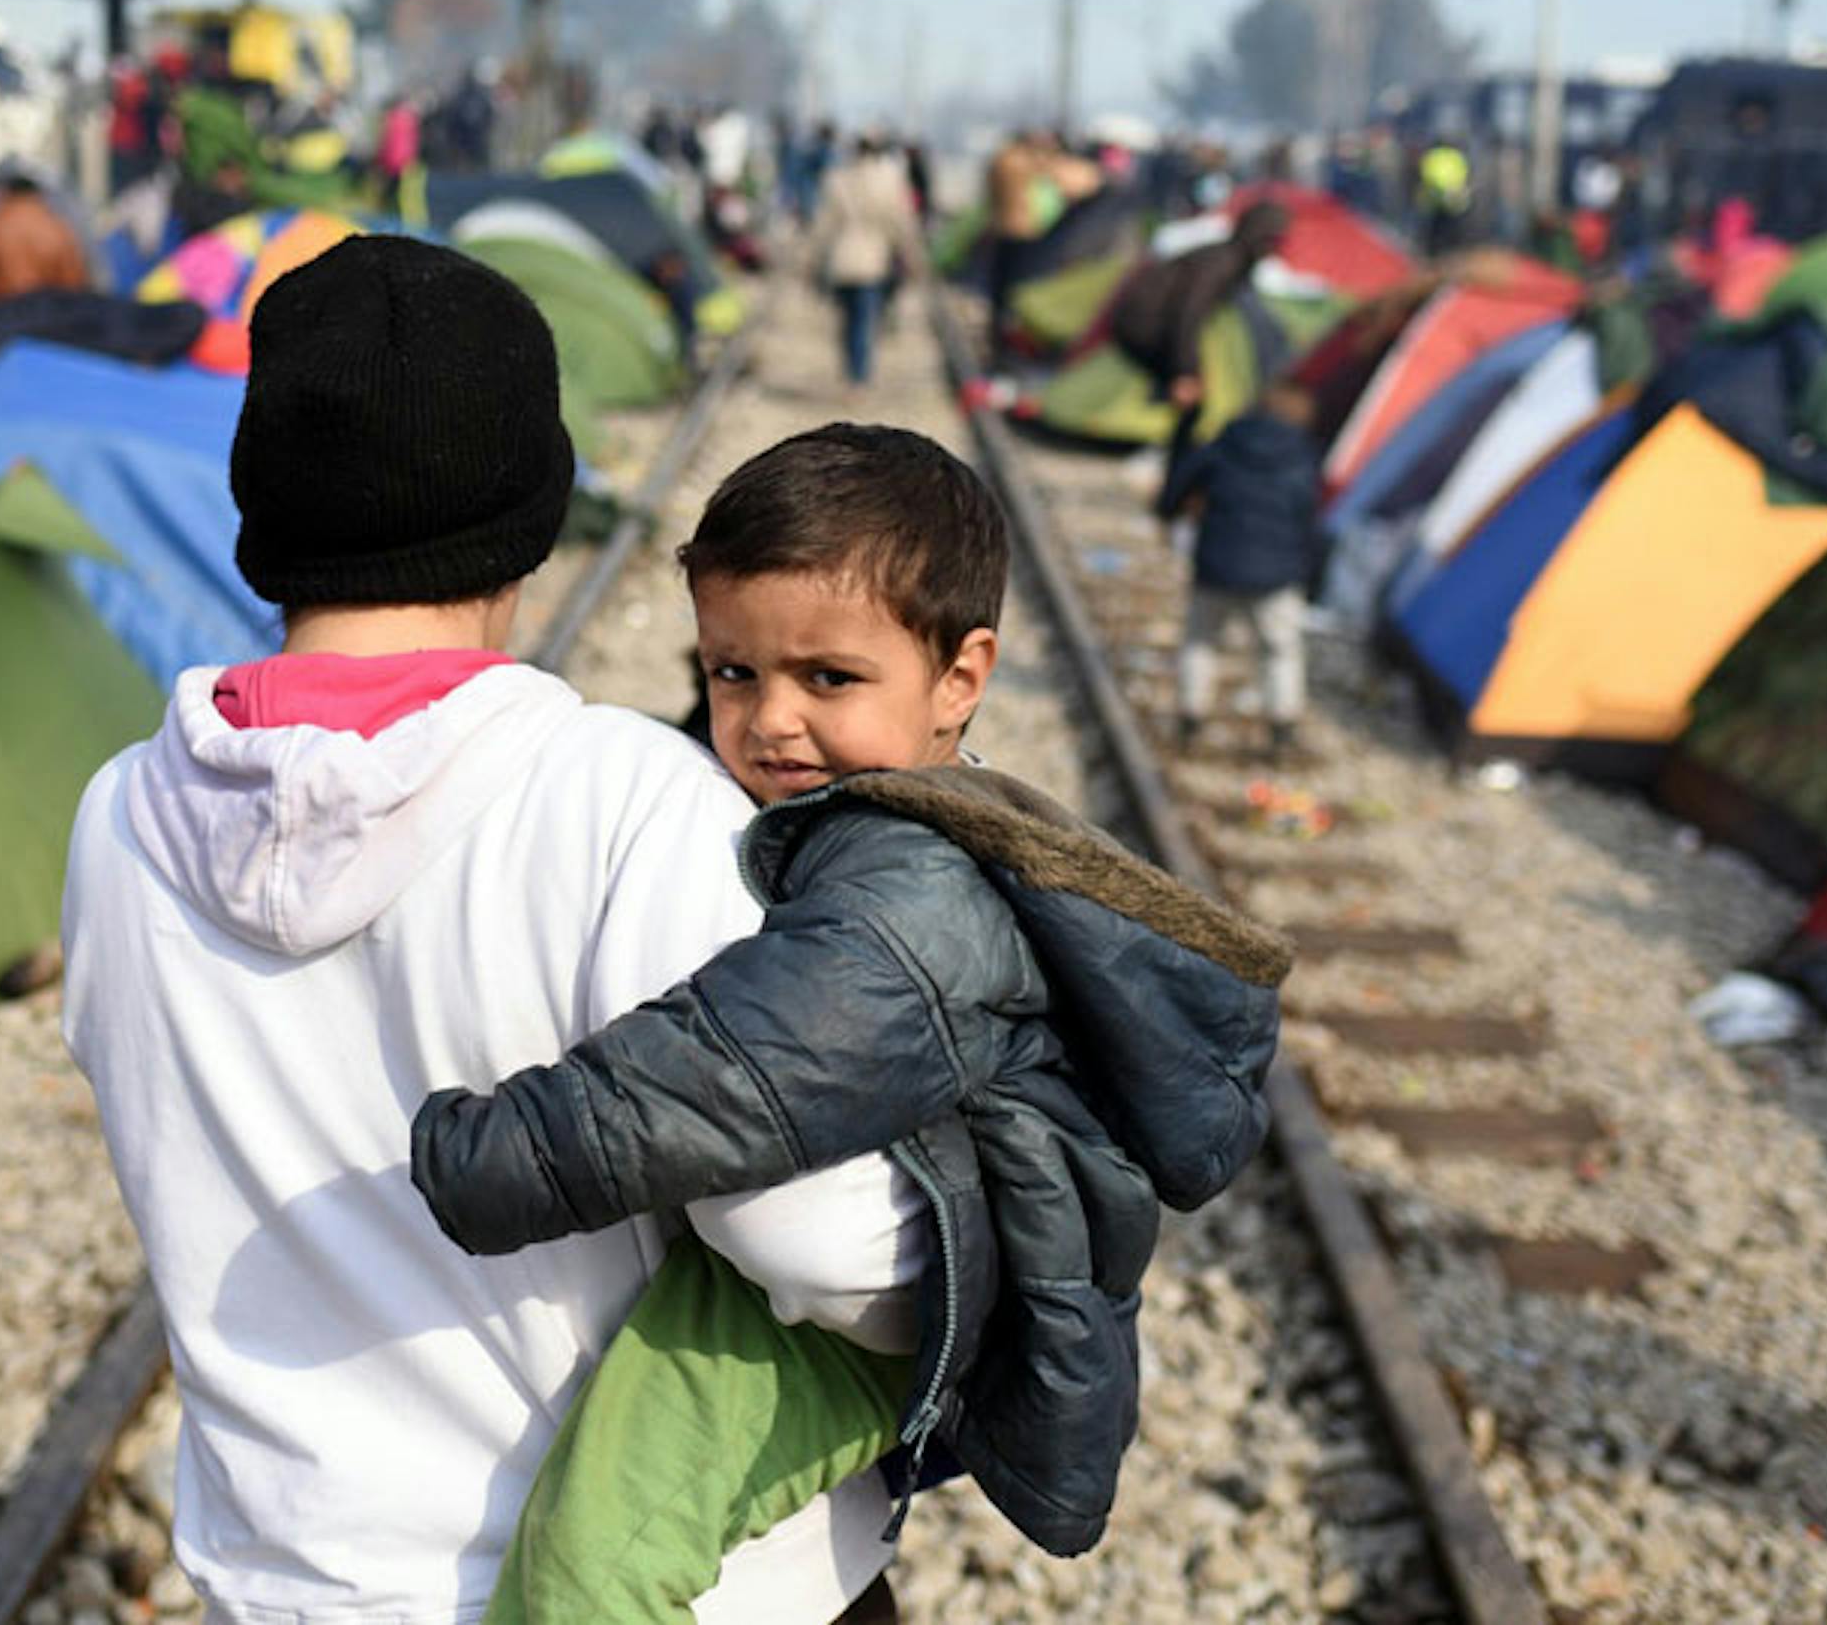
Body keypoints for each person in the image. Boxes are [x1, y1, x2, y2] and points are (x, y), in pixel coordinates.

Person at [62, 238, 923, 1625]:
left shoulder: (117, 821)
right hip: (666, 1591)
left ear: (261, 514)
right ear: (533, 516)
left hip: (299, 1589)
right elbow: (824, 1243)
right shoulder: (628, 805)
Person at [410, 424, 1287, 1621]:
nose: (771, 720)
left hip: (854, 1318)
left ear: (962, 678)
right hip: (881, 1269)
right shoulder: (887, 817)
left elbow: (736, 1070)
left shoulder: (912, 887)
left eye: (828, 679)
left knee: (591, 1563)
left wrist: (491, 1154)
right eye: (733, 673)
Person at [1161, 386, 1322, 762]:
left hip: (1217, 565)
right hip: (1277, 576)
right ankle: (1282, 727)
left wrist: (1170, 513)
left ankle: (1190, 718)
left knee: (1200, 641)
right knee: (1280, 651)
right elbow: (1309, 523)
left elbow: (1178, 485)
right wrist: (1310, 576)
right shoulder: (1303, 459)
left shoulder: (1224, 445)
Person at [1106, 199, 1291, 490]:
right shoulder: (1224, 262)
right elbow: (1187, 314)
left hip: (1144, 323)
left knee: (1188, 402)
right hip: (1143, 326)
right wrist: (1185, 371)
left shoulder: (1226, 256)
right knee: (1192, 404)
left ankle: (1164, 464)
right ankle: (1168, 473)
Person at [805, 132, 932, 390]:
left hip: (841, 259)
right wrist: (914, 257)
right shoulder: (890, 180)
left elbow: (822, 225)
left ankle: (851, 371)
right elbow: (902, 224)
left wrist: (811, 259)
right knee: (865, 319)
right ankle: (859, 378)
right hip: (873, 258)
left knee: (848, 319)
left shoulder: (836, 179)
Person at [0, 165, 92, 302]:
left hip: (4, 314)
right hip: (50, 315)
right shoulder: (59, 228)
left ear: (7, 193)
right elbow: (75, 280)